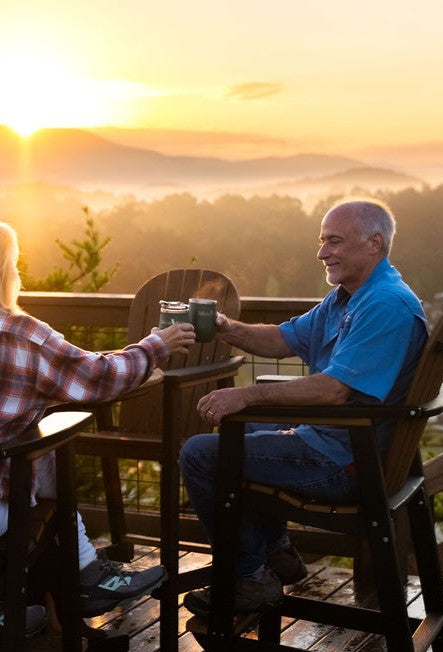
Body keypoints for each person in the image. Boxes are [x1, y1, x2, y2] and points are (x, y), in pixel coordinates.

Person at [0, 217, 195, 648]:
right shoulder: (20, 335)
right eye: (13, 264)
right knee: (43, 491)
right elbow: (97, 377)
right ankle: (86, 581)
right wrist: (157, 345)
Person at [179, 198, 428, 617]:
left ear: (374, 243)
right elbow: (280, 340)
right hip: (340, 444)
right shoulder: (349, 296)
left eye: (334, 241)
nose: (322, 252)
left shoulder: (385, 305)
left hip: (349, 463)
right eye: (321, 241)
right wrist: (226, 328)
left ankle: (250, 577)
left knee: (201, 456)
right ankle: (276, 555)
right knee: (244, 440)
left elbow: (334, 391)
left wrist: (246, 395)